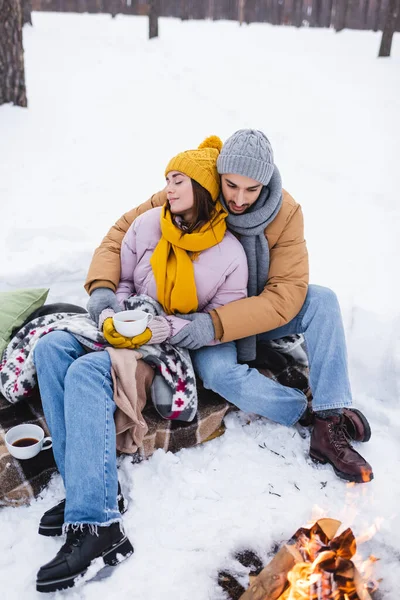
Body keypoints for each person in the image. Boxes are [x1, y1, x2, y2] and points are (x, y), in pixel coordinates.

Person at [85, 129, 373, 485]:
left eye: (251, 189)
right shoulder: (193, 192)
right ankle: (308, 414)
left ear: (266, 185)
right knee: (220, 375)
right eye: (231, 186)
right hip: (192, 315)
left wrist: (214, 325)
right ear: (218, 176)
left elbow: (286, 294)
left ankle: (331, 421)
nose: (239, 198)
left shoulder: (285, 213)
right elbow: (120, 235)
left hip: (252, 312)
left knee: (323, 301)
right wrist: (102, 288)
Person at [32, 136, 248, 593]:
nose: (168, 187)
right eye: (167, 178)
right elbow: (123, 277)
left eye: (178, 179)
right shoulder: (148, 225)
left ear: (203, 186)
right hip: (124, 329)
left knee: (87, 372)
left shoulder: (229, 253)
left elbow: (224, 320)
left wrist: (169, 328)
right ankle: (90, 490)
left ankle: (97, 525)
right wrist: (109, 309)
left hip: (168, 350)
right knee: (51, 349)